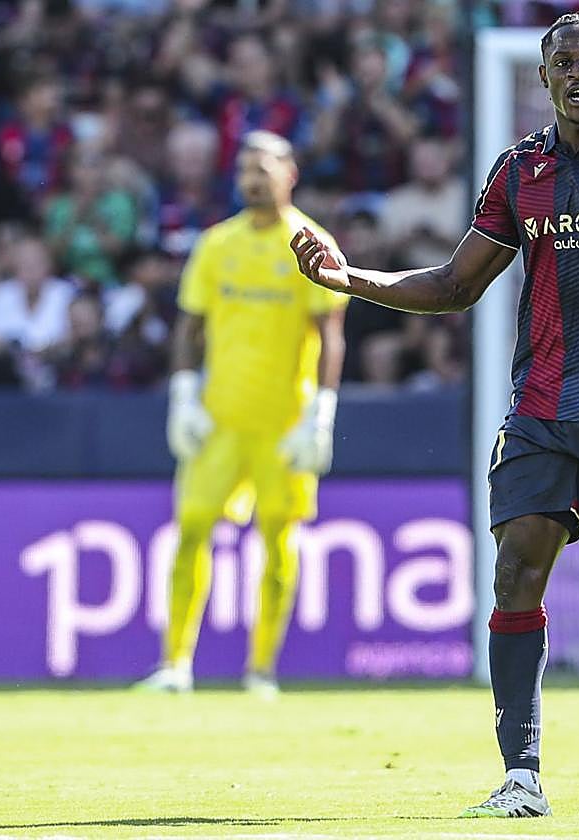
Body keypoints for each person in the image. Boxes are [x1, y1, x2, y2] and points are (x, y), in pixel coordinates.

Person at [291, 13, 579, 817]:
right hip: (544, 406)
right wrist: (350, 281)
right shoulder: (519, 171)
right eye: (564, 63)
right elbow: (452, 285)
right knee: (515, 572)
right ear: (542, 78)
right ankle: (522, 776)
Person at [136, 130, 347, 696]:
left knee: (279, 539)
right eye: (246, 170)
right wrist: (183, 395)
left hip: (283, 422)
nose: (253, 179)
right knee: (191, 530)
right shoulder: (216, 245)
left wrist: (320, 414)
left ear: (290, 174)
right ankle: (176, 664)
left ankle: (261, 670)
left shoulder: (312, 244)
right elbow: (190, 325)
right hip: (220, 418)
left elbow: (330, 334)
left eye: (264, 168)